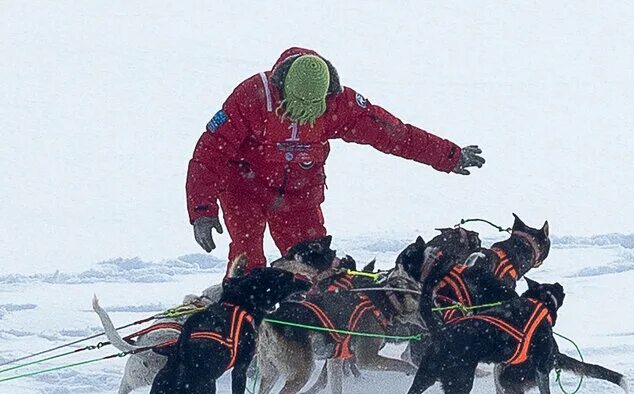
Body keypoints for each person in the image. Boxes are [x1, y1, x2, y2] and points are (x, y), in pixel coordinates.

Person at [187, 47, 485, 270]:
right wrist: (202, 210)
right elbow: (210, 153)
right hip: (244, 187)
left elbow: (396, 135)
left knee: (314, 267)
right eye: (294, 107)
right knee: (247, 262)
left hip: (298, 194)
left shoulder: (341, 105)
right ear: (282, 89)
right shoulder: (252, 96)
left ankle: (306, 335)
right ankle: (240, 331)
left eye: (310, 109)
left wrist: (449, 155)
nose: (301, 115)